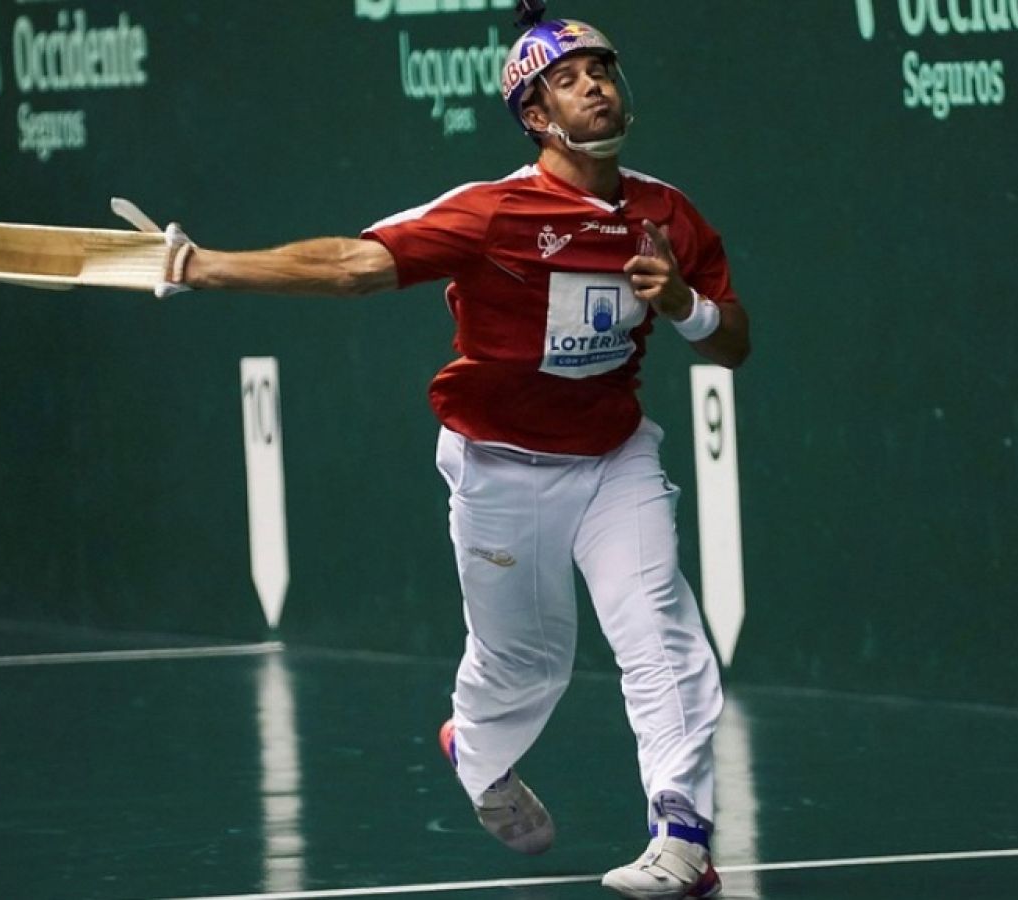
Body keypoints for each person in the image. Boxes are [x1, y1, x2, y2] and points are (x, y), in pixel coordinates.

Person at [141, 10, 749, 899]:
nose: (596, 84)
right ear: (536, 116)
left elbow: (733, 340)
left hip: (612, 460)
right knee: (524, 661)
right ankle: (477, 747)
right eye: (570, 78)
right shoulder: (494, 212)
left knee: (658, 631)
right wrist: (205, 266)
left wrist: (685, 304)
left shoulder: (668, 214)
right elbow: (355, 265)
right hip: (499, 464)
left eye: (604, 68)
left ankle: (682, 839)